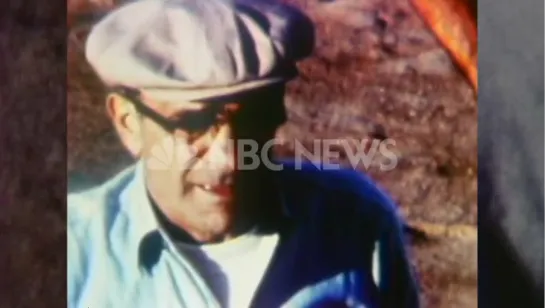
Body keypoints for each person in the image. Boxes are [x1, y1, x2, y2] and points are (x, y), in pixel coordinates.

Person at [67, 0, 420, 307]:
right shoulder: (71, 254)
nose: (230, 158)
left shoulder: (355, 225)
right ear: (129, 123)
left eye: (255, 117)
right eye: (194, 122)